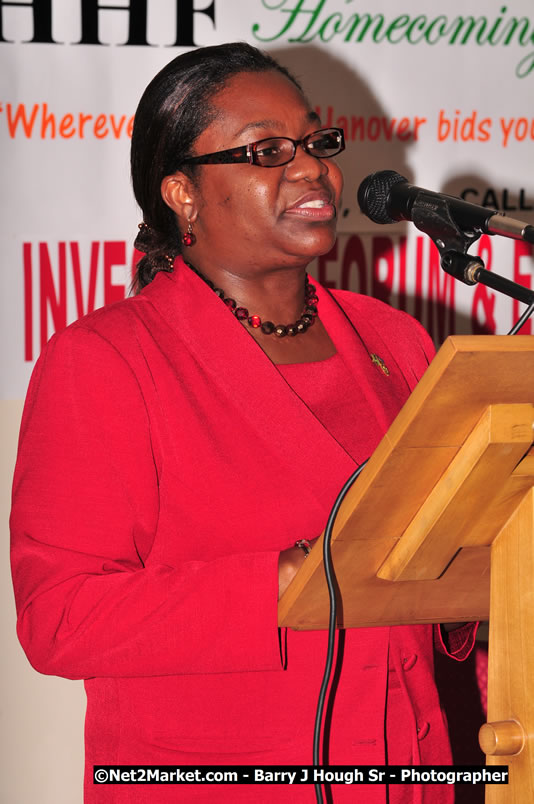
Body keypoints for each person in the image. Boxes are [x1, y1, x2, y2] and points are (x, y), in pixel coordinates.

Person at [10, 43, 476, 803]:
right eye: (266, 151)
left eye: (317, 143)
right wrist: (285, 581)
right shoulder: (106, 360)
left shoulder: (397, 340)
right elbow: (60, 620)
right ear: (182, 193)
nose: (312, 168)